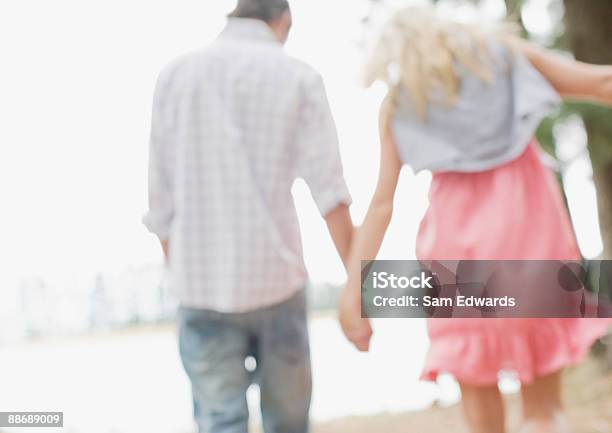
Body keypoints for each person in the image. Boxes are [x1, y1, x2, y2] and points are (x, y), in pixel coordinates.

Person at [339, 7, 612, 433]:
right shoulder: (503, 57)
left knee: (482, 419)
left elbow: (381, 205)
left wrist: (354, 292)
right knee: (544, 414)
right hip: (531, 241)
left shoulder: (398, 104)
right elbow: (603, 82)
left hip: (456, 255)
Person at [143, 1, 354, 432]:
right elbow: (330, 193)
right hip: (278, 279)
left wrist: (181, 270)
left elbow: (160, 200)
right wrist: (357, 284)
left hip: (200, 285)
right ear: (284, 20)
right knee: (290, 423)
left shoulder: (176, 75)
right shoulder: (299, 77)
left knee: (220, 422)